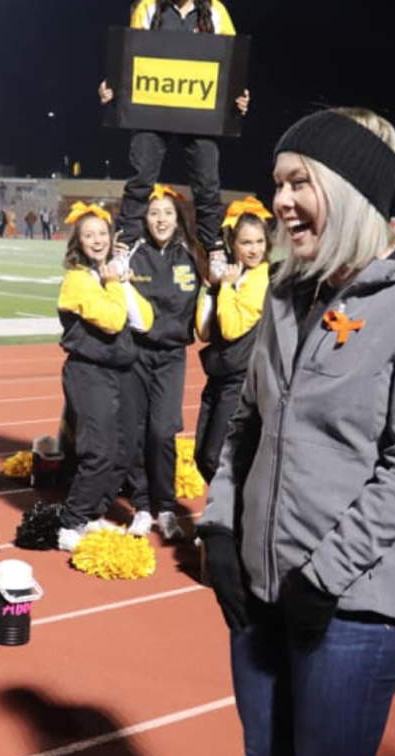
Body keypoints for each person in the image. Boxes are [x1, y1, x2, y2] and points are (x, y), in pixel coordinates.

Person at [196, 107, 395, 756]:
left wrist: (322, 577)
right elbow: (248, 424)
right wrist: (221, 526)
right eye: (277, 184)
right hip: (262, 589)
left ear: (348, 187)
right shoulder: (290, 292)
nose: (279, 201)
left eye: (298, 182)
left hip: (355, 605)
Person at [98, 0, 251, 263]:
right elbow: (129, 57)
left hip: (200, 109)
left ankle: (213, 249)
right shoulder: (148, 7)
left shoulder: (215, 9)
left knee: (207, 183)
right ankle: (125, 245)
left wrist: (238, 97)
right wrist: (112, 89)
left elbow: (231, 60)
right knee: (142, 177)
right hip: (152, 105)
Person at [55, 202, 153, 551]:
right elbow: (113, 321)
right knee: (98, 450)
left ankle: (90, 514)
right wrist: (114, 283)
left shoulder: (109, 274)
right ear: (78, 242)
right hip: (89, 372)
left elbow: (144, 320)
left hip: (118, 372)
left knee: (122, 450)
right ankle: (69, 523)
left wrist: (122, 283)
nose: (97, 240)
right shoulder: (78, 280)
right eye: (88, 235)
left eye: (102, 233)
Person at [120, 185, 201, 540]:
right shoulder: (132, 253)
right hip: (136, 354)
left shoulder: (190, 254)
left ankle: (165, 508)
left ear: (177, 217)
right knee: (136, 430)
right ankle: (140, 506)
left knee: (163, 431)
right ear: (145, 218)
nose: (161, 219)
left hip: (171, 356)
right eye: (154, 213)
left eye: (167, 212)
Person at [193, 195, 271, 482]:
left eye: (259, 242)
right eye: (246, 243)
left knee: (216, 457)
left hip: (241, 379)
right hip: (218, 374)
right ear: (232, 244)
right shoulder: (232, 276)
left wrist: (225, 287)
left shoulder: (261, 278)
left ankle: (236, 519)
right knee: (201, 455)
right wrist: (214, 289)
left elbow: (231, 328)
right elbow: (202, 331)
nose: (254, 249)